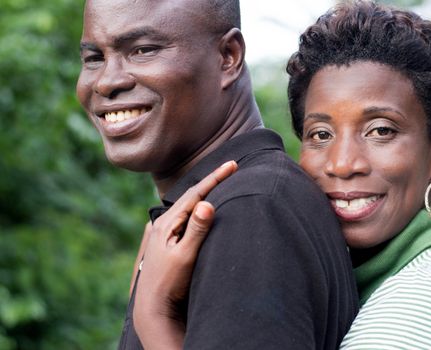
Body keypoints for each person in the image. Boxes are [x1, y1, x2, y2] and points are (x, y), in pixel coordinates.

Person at [142, 0, 431, 348]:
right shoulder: (370, 283)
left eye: (381, 130)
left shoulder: (425, 307)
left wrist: (155, 317)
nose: (342, 163)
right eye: (321, 134)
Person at [76, 0, 359, 348]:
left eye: (143, 50)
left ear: (228, 56)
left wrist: (153, 315)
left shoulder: (250, 210)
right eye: (93, 58)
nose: (106, 82)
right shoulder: (224, 203)